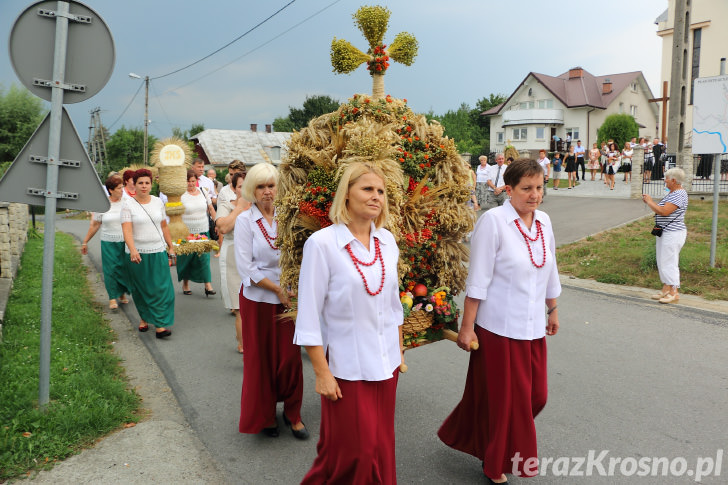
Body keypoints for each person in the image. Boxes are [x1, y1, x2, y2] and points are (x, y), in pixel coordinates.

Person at [438, 158, 561, 484]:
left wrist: (552, 308)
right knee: (508, 402)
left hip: (533, 327)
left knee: (537, 397)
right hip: (498, 329)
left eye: (539, 187)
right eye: (527, 189)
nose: (535, 195)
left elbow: (550, 268)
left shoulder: (544, 221)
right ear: (509, 190)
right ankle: (495, 462)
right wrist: (467, 326)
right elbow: (478, 279)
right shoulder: (493, 222)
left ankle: (479, 434)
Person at [294, 162, 404, 484]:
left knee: (380, 447)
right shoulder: (322, 244)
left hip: (386, 366)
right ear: (346, 195)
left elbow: (394, 305)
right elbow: (309, 316)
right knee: (355, 452)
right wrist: (321, 372)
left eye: (381, 191)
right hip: (346, 369)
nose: (376, 197)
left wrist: (399, 351)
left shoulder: (387, 242)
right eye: (367, 189)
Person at [234, 163, 306, 439]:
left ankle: (293, 413)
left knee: (290, 359)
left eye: (271, 185)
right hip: (259, 299)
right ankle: (264, 415)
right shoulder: (244, 221)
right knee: (261, 359)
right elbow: (246, 268)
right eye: (261, 186)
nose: (267, 192)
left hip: (289, 298)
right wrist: (277, 290)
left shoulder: (289, 217)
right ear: (252, 190)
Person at [120, 168, 176, 338]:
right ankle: (144, 317)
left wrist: (170, 246)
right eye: (140, 183)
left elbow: (164, 226)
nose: (144, 186)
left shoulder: (158, 202)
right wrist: (133, 249)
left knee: (162, 288)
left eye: (147, 183)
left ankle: (160, 325)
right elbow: (127, 230)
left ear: (151, 184)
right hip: (137, 253)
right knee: (141, 288)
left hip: (158, 250)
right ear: (134, 185)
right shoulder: (127, 203)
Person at [81, 174, 131, 310]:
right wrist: (85, 241)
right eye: (120, 188)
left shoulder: (128, 203)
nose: (122, 190)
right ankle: (112, 297)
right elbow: (95, 225)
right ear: (110, 190)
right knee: (110, 270)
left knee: (124, 269)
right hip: (108, 242)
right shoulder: (103, 205)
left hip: (125, 242)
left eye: (122, 187)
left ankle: (121, 293)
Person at [216, 170, 251, 354]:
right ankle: (244, 345)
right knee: (240, 307)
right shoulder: (226, 205)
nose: (244, 189)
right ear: (234, 188)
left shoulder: (260, 206)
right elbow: (223, 227)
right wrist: (240, 207)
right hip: (232, 257)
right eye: (240, 186)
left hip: (254, 258)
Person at [641, 168, 688, 304]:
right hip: (666, 232)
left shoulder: (679, 194)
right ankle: (666, 288)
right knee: (662, 260)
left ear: (674, 180)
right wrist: (650, 203)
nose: (664, 181)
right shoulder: (672, 193)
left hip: (673, 233)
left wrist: (650, 202)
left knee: (669, 261)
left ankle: (674, 292)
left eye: (666, 178)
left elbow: (664, 211)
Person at [178, 170, 217, 296]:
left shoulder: (202, 191)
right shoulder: (180, 195)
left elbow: (210, 208)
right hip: (186, 232)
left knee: (204, 258)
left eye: (193, 181)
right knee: (187, 258)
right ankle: (185, 284)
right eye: (188, 181)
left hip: (203, 230)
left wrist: (217, 222)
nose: (190, 183)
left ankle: (208, 285)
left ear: (197, 181)